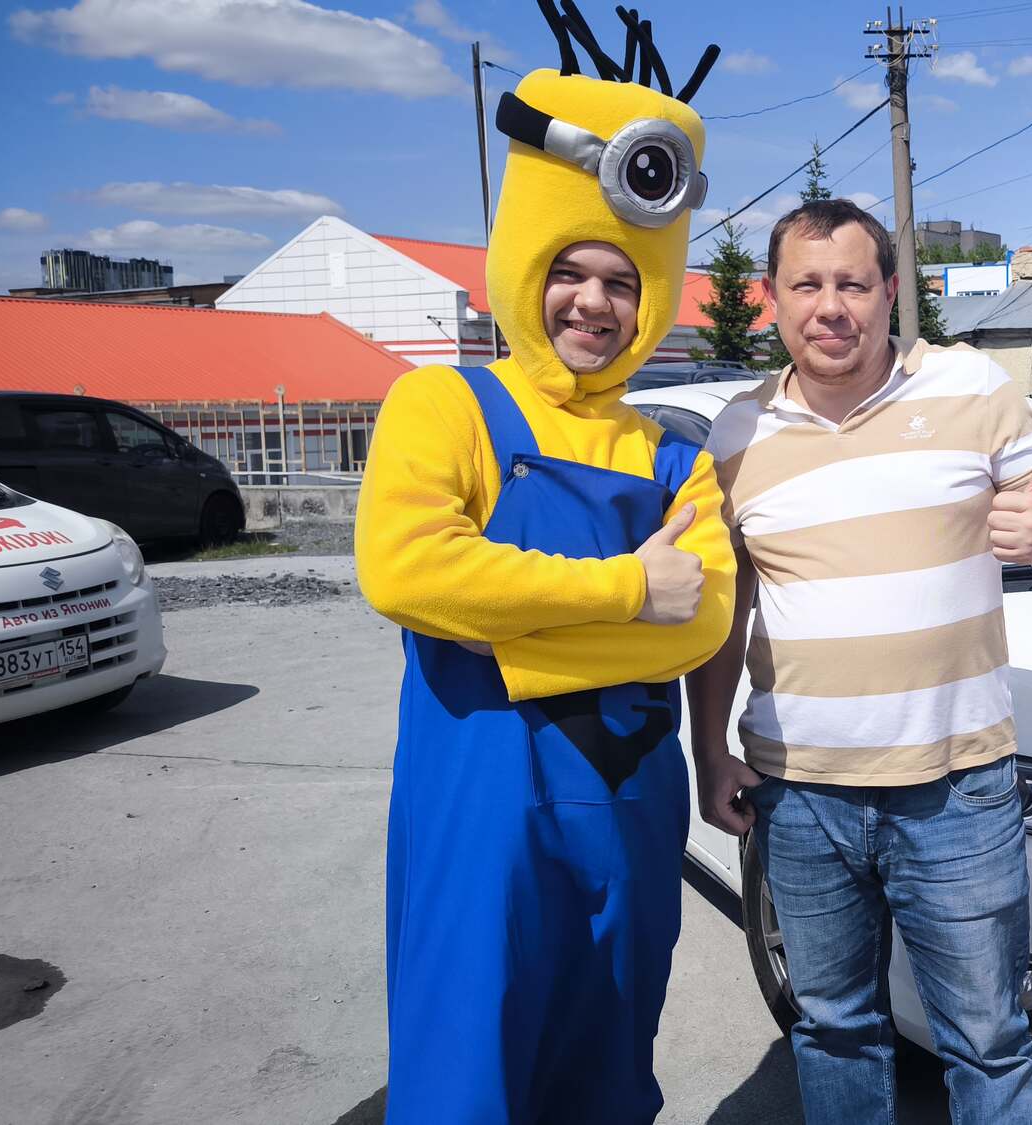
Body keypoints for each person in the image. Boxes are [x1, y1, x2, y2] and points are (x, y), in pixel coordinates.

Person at [353, 44, 735, 1123]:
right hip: (478, 810)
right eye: (571, 271)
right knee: (466, 1070)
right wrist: (626, 592)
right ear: (525, 266)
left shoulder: (674, 453)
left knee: (609, 1064)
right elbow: (408, 569)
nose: (593, 303)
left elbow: (701, 617)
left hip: (632, 809)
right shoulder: (442, 406)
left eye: (622, 281)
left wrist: (499, 629)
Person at [688, 198, 1032, 1124]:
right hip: (799, 796)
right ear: (772, 298)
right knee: (834, 1028)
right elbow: (725, 608)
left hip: (956, 790)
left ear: (890, 291)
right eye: (807, 284)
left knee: (988, 1041)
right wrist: (709, 750)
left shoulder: (970, 385)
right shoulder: (736, 434)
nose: (831, 306)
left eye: (853, 283)